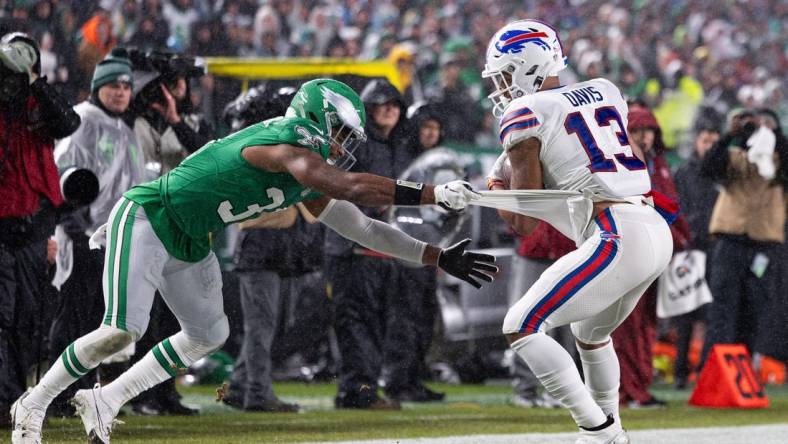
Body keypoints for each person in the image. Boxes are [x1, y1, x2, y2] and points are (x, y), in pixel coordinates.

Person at [10, 78, 497, 444]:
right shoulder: (285, 146)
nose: (344, 147)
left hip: (191, 234)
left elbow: (364, 227)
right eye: (340, 134)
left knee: (210, 334)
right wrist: (431, 193)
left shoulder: (306, 168)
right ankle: (31, 405)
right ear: (315, 119)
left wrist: (436, 255)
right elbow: (349, 186)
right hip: (148, 216)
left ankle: (106, 398)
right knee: (122, 330)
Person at [482, 20, 673, 444]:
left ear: (524, 66)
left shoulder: (524, 113)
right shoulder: (604, 90)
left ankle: (599, 430)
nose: (498, 86)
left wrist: (495, 189)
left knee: (522, 325)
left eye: (502, 74)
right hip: (652, 226)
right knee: (591, 333)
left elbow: (524, 221)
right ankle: (610, 429)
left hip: (615, 232)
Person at [48, 47, 146, 418]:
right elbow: (64, 174)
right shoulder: (83, 120)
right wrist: (74, 229)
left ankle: (79, 392)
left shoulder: (125, 126)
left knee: (95, 322)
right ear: (97, 88)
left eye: (126, 85)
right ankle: (57, 393)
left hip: (116, 241)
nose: (120, 91)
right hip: (85, 237)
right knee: (73, 318)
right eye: (113, 85)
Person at [0, 31, 80, 428]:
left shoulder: (40, 99)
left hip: (34, 221)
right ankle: (4, 399)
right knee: (2, 313)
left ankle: (16, 399)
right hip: (3, 221)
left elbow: (69, 122)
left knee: (28, 316)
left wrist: (34, 80)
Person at [326, 79, 418, 410]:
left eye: (395, 104)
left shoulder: (399, 147)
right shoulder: (355, 142)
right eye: (383, 104)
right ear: (368, 109)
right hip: (351, 249)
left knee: (376, 324)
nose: (390, 109)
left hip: (380, 250)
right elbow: (336, 186)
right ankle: (357, 393)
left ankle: (364, 391)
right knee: (355, 325)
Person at [611, 104, 690, 408]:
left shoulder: (660, 163)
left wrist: (680, 237)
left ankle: (639, 387)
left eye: (649, 131)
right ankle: (625, 390)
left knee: (645, 325)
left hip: (655, 252)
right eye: (637, 131)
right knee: (625, 326)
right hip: (630, 252)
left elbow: (671, 204)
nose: (644, 138)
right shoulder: (622, 161)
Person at [699, 108, 788, 368]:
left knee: (754, 309)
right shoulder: (734, 156)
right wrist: (730, 135)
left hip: (765, 244)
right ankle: (712, 369)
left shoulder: (780, 162)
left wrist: (772, 134)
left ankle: (742, 370)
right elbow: (707, 169)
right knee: (722, 308)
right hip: (731, 241)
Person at [672, 123, 721, 389]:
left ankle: (705, 370)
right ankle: (681, 371)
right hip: (689, 251)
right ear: (696, 143)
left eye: (714, 141)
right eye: (706, 140)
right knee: (685, 314)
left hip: (716, 249)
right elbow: (676, 207)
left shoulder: (723, 174)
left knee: (712, 314)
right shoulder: (684, 173)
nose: (710, 146)